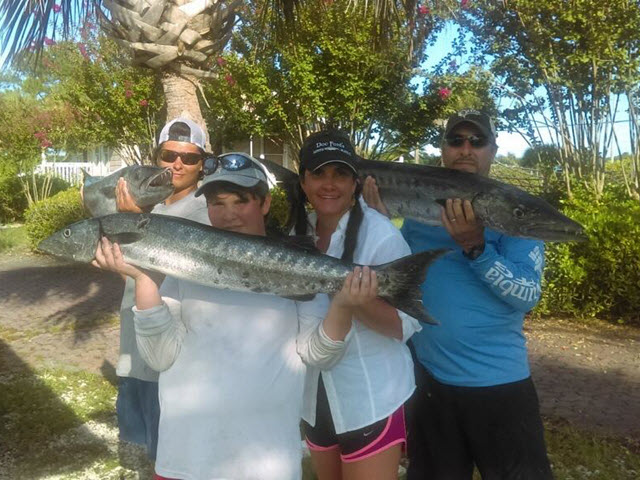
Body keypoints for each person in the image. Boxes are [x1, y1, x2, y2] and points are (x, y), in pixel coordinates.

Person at [94, 152, 375, 480]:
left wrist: (342, 305)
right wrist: (142, 279)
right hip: (185, 459)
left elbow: (318, 355)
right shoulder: (180, 261)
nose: (228, 214)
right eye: (218, 203)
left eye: (241, 201)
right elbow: (159, 357)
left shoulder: (295, 265)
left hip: (266, 463)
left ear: (265, 203)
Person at [363, 110, 553, 480]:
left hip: (500, 387)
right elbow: (394, 267)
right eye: (456, 140)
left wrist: (476, 247)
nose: (466, 149)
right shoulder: (417, 211)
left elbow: (527, 294)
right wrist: (378, 221)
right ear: (444, 149)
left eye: (477, 141)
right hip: (429, 385)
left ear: (493, 150)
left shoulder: (513, 212)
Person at [294, 130, 422, 480]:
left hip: (370, 400)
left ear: (355, 183)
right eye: (319, 174)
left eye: (340, 174)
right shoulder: (294, 238)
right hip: (313, 401)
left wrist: (357, 303)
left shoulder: (381, 236)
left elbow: (403, 328)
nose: (329, 184)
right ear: (303, 181)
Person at [114, 117, 210, 463]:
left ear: (202, 165)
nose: (177, 164)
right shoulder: (147, 205)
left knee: (168, 456)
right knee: (138, 453)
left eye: (189, 158)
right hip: (133, 351)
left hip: (173, 357)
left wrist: (133, 222)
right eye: (169, 155)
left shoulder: (208, 211)